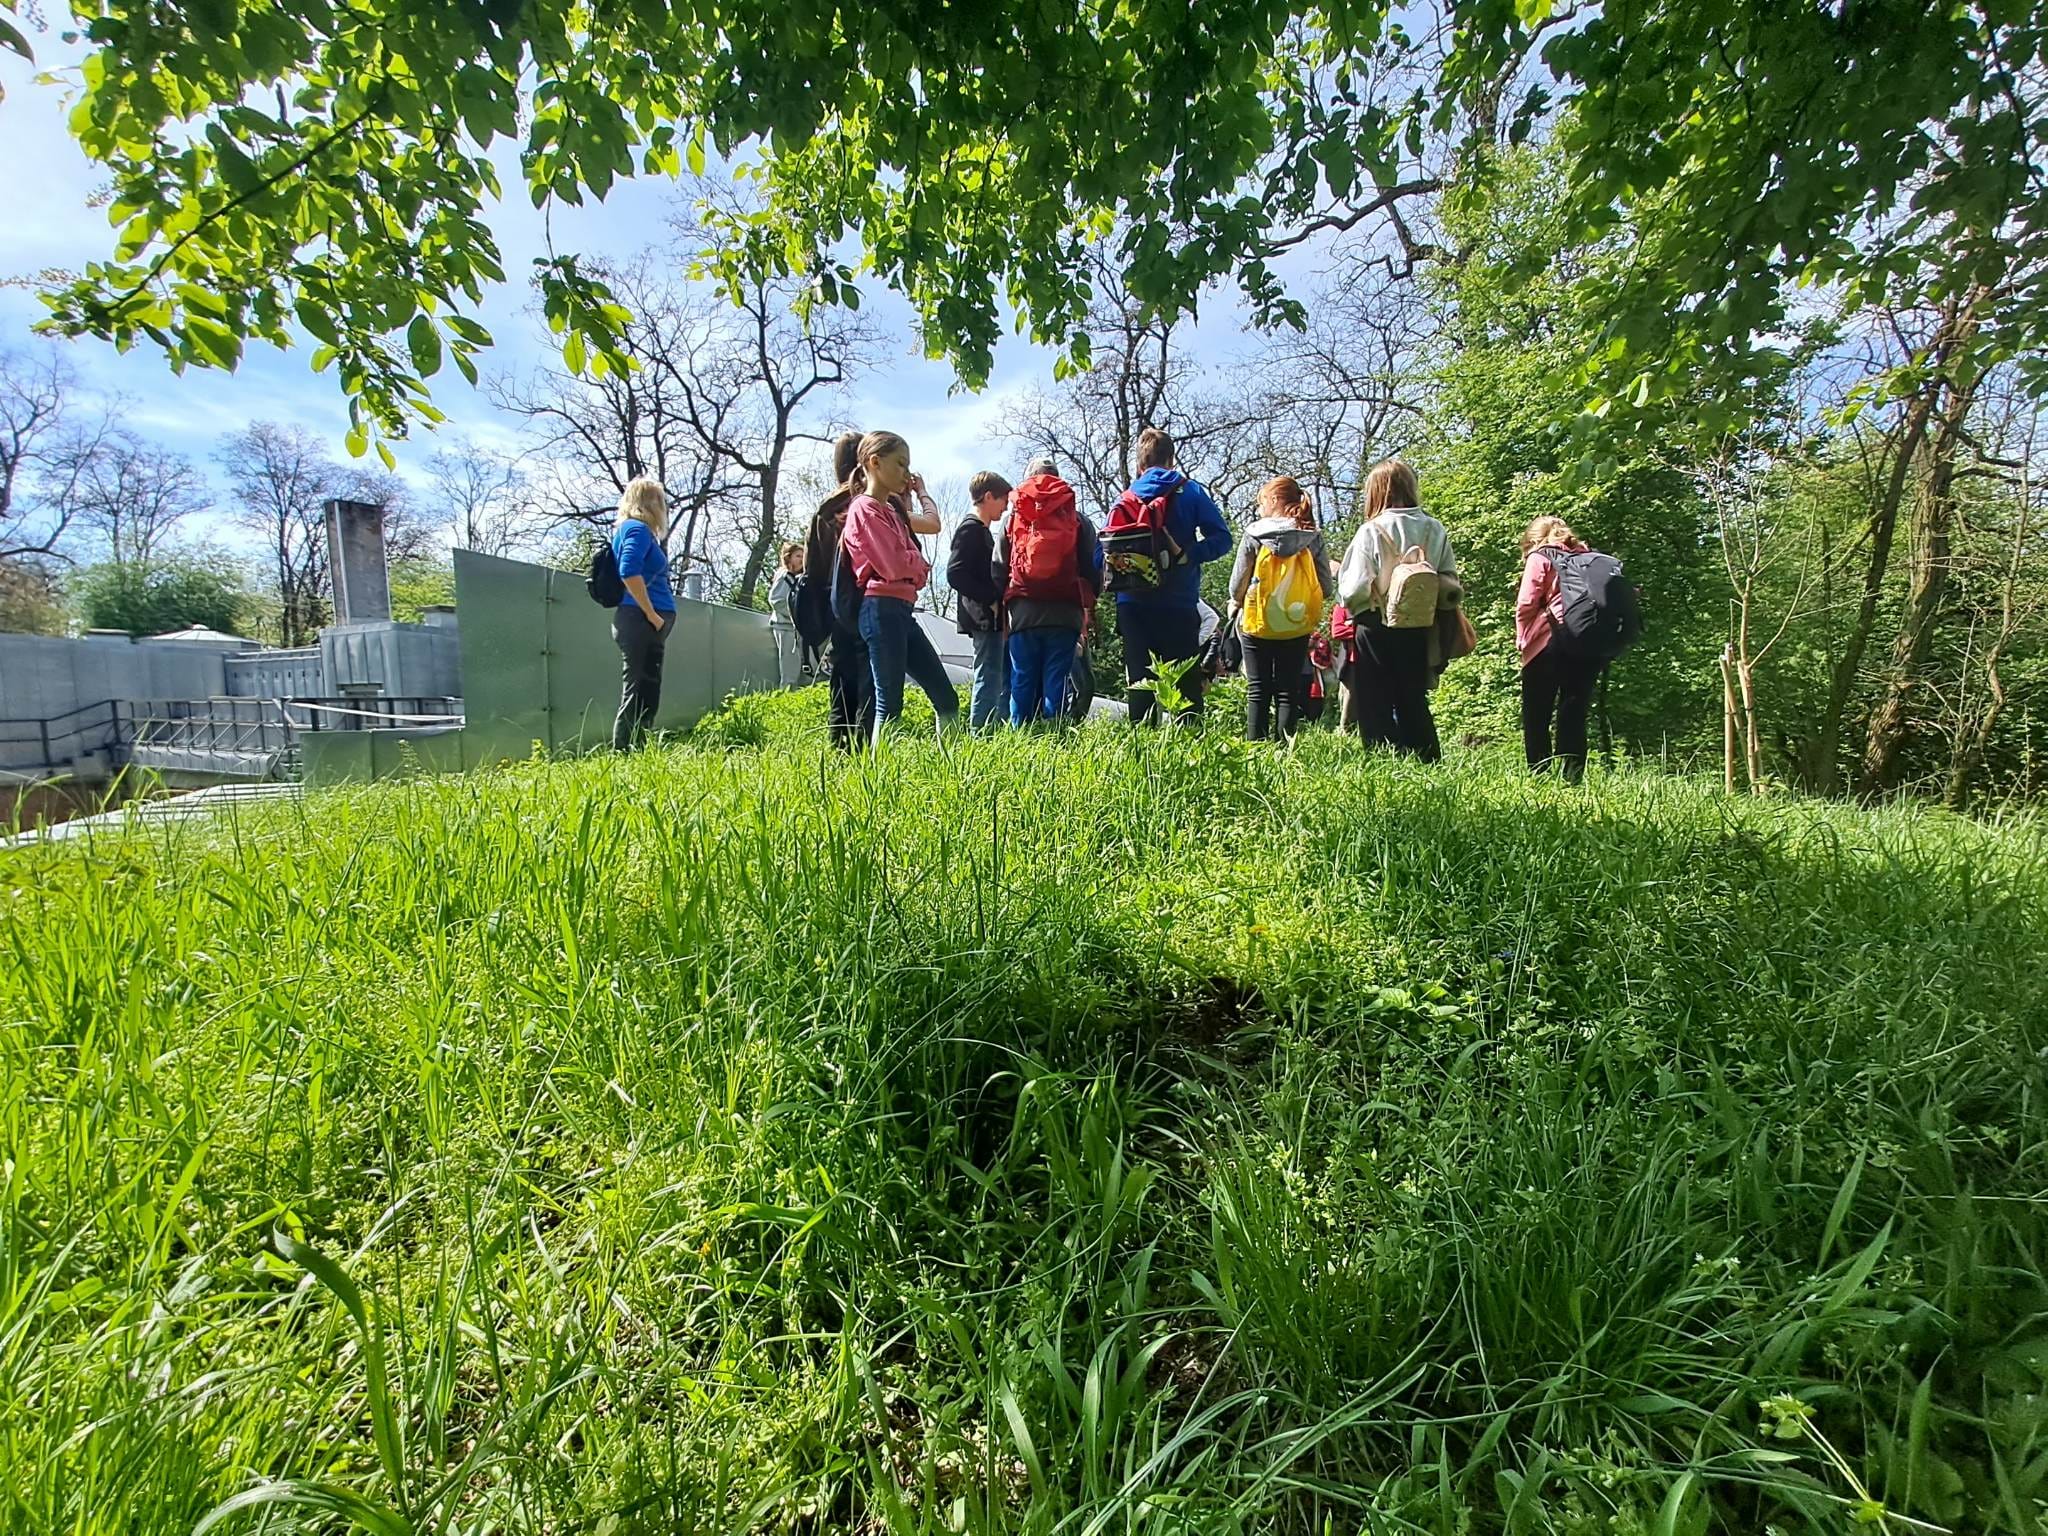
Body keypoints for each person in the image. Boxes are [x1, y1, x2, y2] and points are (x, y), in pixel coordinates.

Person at [840, 431, 960, 744]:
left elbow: (914, 562)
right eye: (900, 464)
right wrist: (914, 563)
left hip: (903, 612)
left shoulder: (893, 513)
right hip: (880, 610)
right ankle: (881, 771)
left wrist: (912, 563)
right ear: (875, 462)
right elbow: (894, 565)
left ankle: (952, 763)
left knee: (946, 698)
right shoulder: (864, 509)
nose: (906, 473)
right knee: (889, 704)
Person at [1336, 460, 1456, 761]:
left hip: (1374, 621)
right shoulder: (1434, 528)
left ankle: (1383, 759)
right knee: (1412, 695)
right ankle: (1426, 758)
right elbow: (1449, 578)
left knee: (1374, 697)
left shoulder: (1371, 530)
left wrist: (1349, 604)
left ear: (1375, 491)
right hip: (1419, 621)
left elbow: (1354, 588)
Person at [1112, 428, 1232, 724]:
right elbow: (1222, 539)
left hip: (1132, 603)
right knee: (1185, 684)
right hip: (1178, 602)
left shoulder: (1125, 498)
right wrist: (1189, 554)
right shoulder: (1190, 492)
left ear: (1139, 464)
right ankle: (1189, 742)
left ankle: (1141, 745)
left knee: (1140, 683)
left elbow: (1100, 554)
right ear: (1171, 460)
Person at [1226, 476, 1335, 742]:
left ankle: (1255, 749)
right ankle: (1286, 748)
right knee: (1288, 689)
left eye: (1261, 503)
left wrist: (1237, 601)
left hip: (1258, 621)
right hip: (1296, 624)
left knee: (1258, 689)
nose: (1259, 509)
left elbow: (1236, 587)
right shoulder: (1311, 535)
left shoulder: (1254, 534)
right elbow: (1326, 587)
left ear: (1274, 500)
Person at [993, 463, 1101, 726]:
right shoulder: (1078, 519)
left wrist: (1001, 605)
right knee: (1057, 679)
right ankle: (1055, 736)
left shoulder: (1014, 517)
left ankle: (1019, 736)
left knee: (1022, 678)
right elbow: (1093, 567)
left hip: (1023, 613)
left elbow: (998, 567)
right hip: (1066, 612)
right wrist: (1088, 602)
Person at [1517, 514, 1601, 782]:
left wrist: (1522, 638)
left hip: (1548, 640)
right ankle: (1572, 779)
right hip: (1587, 641)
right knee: (1573, 713)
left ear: (1533, 540)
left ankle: (1540, 778)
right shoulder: (1590, 558)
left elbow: (1526, 603)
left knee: (1537, 715)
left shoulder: (1540, 557)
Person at [806, 431, 873, 751]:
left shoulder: (825, 509)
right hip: (868, 595)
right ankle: (869, 748)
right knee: (870, 675)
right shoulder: (869, 500)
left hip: (835, 602)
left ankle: (840, 746)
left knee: (842, 675)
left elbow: (813, 565)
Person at [609, 476, 675, 751]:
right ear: (650, 502)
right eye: (661, 501)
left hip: (644, 620)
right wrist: (652, 615)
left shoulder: (639, 531)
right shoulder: (636, 529)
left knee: (647, 686)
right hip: (640, 619)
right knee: (637, 687)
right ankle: (624, 749)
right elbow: (628, 571)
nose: (664, 507)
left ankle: (640, 745)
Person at [950, 471, 1010, 729]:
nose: (1005, 507)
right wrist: (990, 598)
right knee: (988, 674)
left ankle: (989, 728)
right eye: (1003, 500)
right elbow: (955, 573)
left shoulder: (981, 531)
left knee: (993, 674)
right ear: (988, 497)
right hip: (982, 615)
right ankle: (980, 733)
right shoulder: (970, 530)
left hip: (987, 615)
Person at [767, 542, 805, 688]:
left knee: (798, 665)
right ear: (788, 558)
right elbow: (776, 601)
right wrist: (795, 615)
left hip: (794, 628)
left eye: (803, 556)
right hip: (784, 627)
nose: (802, 559)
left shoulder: (798, 578)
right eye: (798, 556)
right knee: (789, 668)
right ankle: (786, 694)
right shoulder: (784, 577)